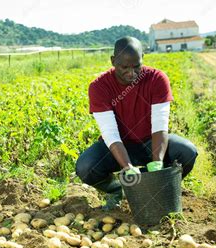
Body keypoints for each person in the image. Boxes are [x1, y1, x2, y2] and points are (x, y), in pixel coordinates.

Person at [75, 37, 198, 210]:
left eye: (136, 66)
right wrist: (127, 166)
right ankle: (117, 190)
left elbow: (160, 125)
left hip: (150, 143)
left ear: (143, 58)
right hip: (118, 147)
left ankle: (159, 186)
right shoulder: (99, 87)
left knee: (187, 152)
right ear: (113, 61)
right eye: (124, 67)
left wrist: (157, 164)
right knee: (86, 166)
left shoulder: (157, 79)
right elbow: (110, 133)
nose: (131, 73)